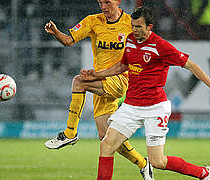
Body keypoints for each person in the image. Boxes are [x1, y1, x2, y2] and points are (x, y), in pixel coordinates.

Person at [80, 6, 210, 180]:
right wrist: (96, 74)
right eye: (133, 26)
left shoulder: (161, 46)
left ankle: (203, 173)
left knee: (157, 161)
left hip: (155, 108)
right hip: (131, 106)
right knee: (106, 145)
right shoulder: (130, 40)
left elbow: (191, 65)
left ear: (150, 26)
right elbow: (122, 66)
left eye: (139, 27)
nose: (135, 30)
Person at [44, 0, 153, 179]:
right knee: (106, 138)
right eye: (100, 2)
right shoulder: (92, 21)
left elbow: (145, 47)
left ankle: (70, 133)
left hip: (120, 80)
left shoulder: (129, 23)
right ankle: (143, 163)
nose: (103, 6)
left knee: (79, 82)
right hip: (100, 80)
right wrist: (56, 32)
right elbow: (69, 41)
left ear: (118, 1)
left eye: (107, 2)